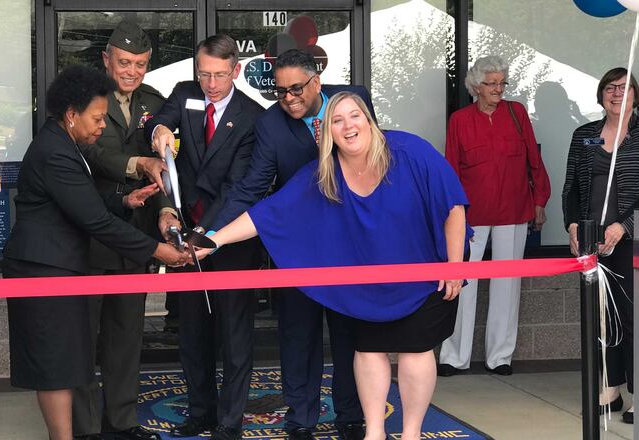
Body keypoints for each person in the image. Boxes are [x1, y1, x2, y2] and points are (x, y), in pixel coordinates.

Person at [197, 92, 469, 440]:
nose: (348, 126)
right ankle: (374, 432)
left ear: (369, 120)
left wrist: (455, 266)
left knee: (415, 351)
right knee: (369, 351)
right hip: (369, 286)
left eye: (354, 116)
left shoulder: (411, 151)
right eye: (337, 121)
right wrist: (215, 239)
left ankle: (412, 433)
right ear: (326, 132)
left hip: (427, 275)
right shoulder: (323, 172)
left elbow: (453, 206)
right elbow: (270, 214)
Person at [1, 65, 190, 440]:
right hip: (44, 271)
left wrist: (125, 199)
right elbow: (95, 223)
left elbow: (82, 202)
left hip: (56, 268)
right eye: (97, 118)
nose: (102, 126)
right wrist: (157, 251)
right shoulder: (56, 152)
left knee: (65, 363)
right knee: (56, 367)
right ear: (72, 114)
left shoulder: (65, 143)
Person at [209, 49, 369, 440]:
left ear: (316, 82)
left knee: (350, 335)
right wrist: (209, 232)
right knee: (298, 335)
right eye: (280, 91)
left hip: (351, 247)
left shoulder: (353, 102)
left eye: (296, 88)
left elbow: (373, 161)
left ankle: (350, 415)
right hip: (296, 249)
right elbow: (252, 185)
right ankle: (301, 420)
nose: (288, 98)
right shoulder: (271, 123)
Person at [145, 34, 264, 440]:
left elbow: (238, 188)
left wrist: (203, 235)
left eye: (218, 75)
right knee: (192, 332)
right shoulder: (184, 94)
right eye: (203, 74)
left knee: (233, 336)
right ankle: (199, 413)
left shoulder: (253, 116)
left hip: (228, 236)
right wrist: (160, 130)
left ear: (236, 70)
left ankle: (229, 423)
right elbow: (161, 120)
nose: (210, 84)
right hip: (184, 234)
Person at [70, 21, 168, 440]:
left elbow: (166, 165)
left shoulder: (156, 102)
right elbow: (92, 150)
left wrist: (167, 211)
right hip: (88, 235)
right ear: (106, 58)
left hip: (134, 235)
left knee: (127, 334)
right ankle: (85, 427)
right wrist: (137, 164)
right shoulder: (85, 98)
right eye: (124, 62)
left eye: (140, 64)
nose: (132, 71)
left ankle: (123, 421)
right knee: (82, 335)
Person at [439, 55, 550, 377]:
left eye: (502, 83)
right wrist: (452, 212)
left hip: (514, 210)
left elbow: (534, 161)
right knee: (462, 282)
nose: (498, 89)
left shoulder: (517, 114)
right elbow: (451, 168)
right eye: (492, 84)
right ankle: (454, 356)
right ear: (476, 87)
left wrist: (539, 200)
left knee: (507, 284)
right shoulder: (460, 120)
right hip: (471, 215)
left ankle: (500, 356)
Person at [562, 67, 639, 425]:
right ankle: (610, 386)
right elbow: (571, 189)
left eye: (625, 88)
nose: (617, 93)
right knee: (603, 318)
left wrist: (624, 226)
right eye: (610, 87)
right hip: (592, 241)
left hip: (629, 241)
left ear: (636, 95)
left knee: (630, 316)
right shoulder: (585, 136)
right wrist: (574, 224)